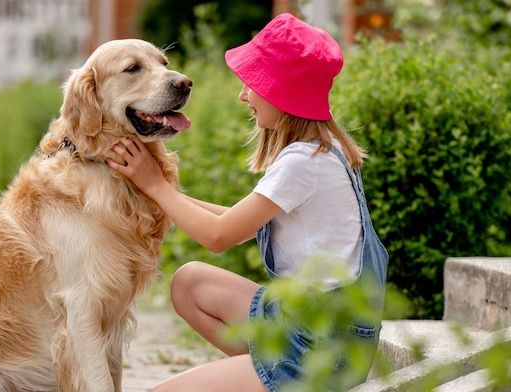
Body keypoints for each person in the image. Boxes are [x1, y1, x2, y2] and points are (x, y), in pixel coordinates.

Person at [108, 13, 388, 392]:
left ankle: (275, 379)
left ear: (280, 92)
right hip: (308, 324)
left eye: (252, 84)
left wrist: (156, 186)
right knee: (189, 283)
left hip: (318, 351)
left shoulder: (302, 164)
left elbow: (220, 237)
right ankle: (256, 375)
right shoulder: (325, 151)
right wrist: (156, 193)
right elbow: (239, 223)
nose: (243, 95)